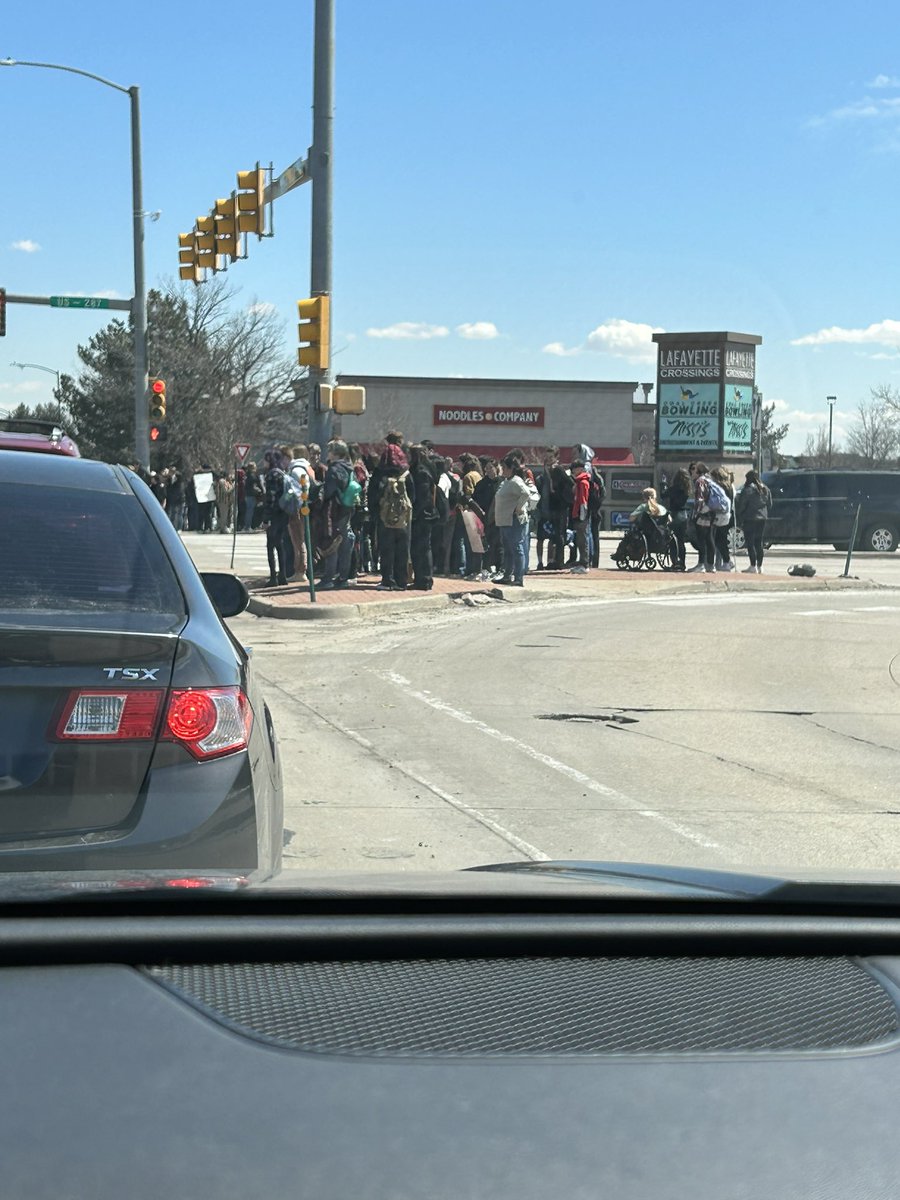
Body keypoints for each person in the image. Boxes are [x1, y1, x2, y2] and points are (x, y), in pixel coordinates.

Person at [372, 432, 415, 591]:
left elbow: (373, 494)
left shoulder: (380, 471)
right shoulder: (406, 473)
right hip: (403, 518)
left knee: (386, 549)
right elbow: (413, 495)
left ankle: (387, 580)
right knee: (402, 550)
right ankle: (401, 581)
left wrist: (377, 512)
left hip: (384, 518)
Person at [317, 440, 357, 590]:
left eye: (330, 451)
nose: (328, 453)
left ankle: (328, 578)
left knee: (331, 542)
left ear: (335, 452)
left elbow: (329, 492)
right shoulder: (349, 467)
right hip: (347, 509)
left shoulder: (334, 469)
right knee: (345, 542)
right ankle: (343, 577)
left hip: (334, 510)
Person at [493, 455, 538, 586]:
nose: (502, 470)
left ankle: (518, 577)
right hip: (504, 520)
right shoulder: (506, 481)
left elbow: (526, 493)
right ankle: (507, 575)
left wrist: (518, 508)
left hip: (514, 520)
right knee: (508, 549)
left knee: (516, 548)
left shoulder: (516, 481)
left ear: (511, 468)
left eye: (504, 468)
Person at [408, 444, 441, 590]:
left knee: (420, 548)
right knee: (424, 547)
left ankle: (423, 579)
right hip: (427, 514)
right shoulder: (430, 467)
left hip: (422, 515)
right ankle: (424, 578)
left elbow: (422, 496)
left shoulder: (420, 471)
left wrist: (415, 514)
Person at [736, 469, 772, 574]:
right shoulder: (765, 489)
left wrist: (740, 515)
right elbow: (769, 504)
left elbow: (742, 505)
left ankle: (753, 565)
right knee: (758, 542)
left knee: (750, 542)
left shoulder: (747, 490)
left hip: (750, 517)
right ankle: (760, 566)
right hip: (762, 518)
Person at [261, 450, 289, 586]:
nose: (264, 463)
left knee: (270, 546)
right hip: (283, 513)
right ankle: (282, 575)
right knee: (280, 545)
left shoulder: (272, 475)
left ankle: (273, 577)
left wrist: (266, 519)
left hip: (274, 515)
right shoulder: (283, 473)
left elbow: (270, 499)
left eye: (266, 460)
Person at [287, 444, 314, 581]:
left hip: (297, 508)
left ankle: (300, 571)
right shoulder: (307, 468)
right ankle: (300, 570)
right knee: (300, 539)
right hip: (304, 507)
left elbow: (299, 490)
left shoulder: (296, 470)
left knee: (298, 540)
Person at [688, 462, 717, 573]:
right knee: (710, 539)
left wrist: (696, 513)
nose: (692, 472)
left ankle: (701, 565)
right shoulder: (710, 480)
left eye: (694, 470)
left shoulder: (700, 481)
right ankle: (711, 565)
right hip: (712, 512)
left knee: (701, 539)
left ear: (698, 471)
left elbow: (700, 499)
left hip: (703, 514)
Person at [665, 468, 692, 571]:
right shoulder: (687, 489)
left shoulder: (673, 489)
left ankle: (675, 562)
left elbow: (664, 495)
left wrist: (664, 485)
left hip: (674, 515)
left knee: (672, 541)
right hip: (683, 515)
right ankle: (682, 563)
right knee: (681, 541)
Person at [710, 466, 735, 572]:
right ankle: (726, 561)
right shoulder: (730, 486)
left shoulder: (719, 487)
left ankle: (727, 561)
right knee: (722, 539)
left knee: (719, 539)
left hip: (720, 515)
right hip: (728, 515)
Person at [569, 460, 591, 573]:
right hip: (579, 514)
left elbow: (583, 501)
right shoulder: (579, 482)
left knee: (583, 540)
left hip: (582, 515)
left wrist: (582, 515)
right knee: (580, 540)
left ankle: (584, 564)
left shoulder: (583, 482)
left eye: (575, 468)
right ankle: (582, 563)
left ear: (580, 469)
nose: (573, 470)